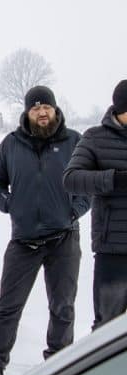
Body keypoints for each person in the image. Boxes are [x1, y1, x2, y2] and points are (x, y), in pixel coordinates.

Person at [0, 87, 89, 375]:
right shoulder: (12, 144)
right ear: (27, 112)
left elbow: (88, 183)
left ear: (56, 110)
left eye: (47, 107)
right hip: (24, 241)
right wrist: (10, 204)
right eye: (36, 108)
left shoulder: (74, 141)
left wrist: (75, 211)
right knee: (8, 307)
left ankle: (58, 367)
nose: (42, 112)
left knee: (63, 307)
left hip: (63, 238)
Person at [64, 79, 127, 330]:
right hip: (113, 250)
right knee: (108, 327)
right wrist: (114, 180)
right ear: (120, 110)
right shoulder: (95, 137)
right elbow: (72, 179)